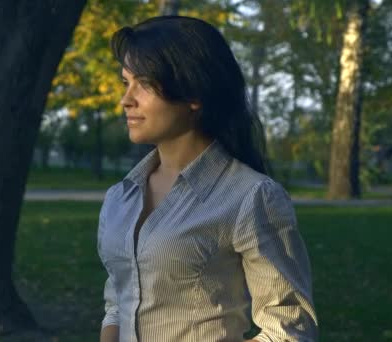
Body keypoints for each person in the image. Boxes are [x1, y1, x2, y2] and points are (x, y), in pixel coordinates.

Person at [97, 16, 318, 342]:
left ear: (193, 93)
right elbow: (118, 300)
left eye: (143, 84)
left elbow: (289, 330)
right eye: (125, 82)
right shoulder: (121, 196)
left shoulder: (251, 196)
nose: (126, 99)